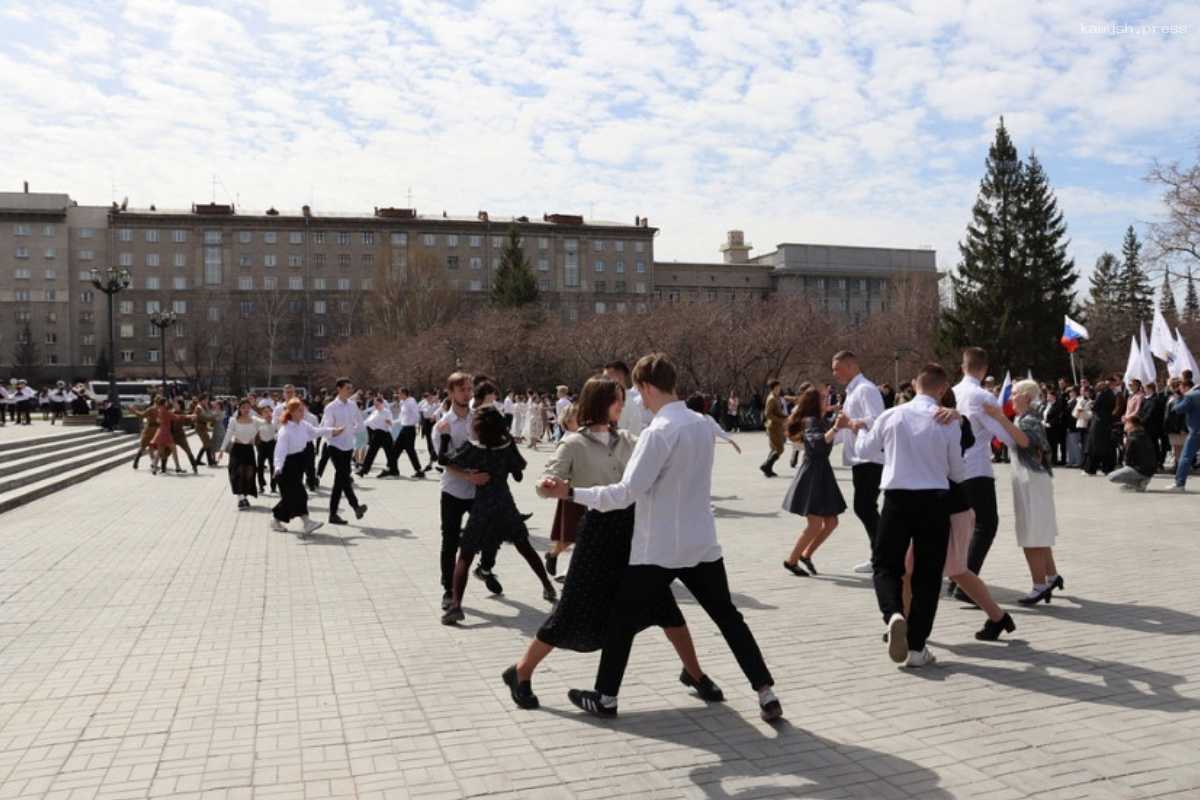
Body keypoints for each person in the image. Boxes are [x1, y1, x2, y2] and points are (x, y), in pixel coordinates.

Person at [540, 353, 782, 723]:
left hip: (659, 548)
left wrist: (571, 494)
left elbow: (623, 494)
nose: (638, 399)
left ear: (648, 387)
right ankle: (766, 692)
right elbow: (716, 434)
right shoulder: (702, 423)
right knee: (729, 618)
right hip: (702, 542)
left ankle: (605, 698)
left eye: (639, 391)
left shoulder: (659, 432)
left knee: (621, 621)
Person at [502, 376, 722, 710]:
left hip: (636, 533)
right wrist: (549, 483)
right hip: (598, 536)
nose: (623, 405)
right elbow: (548, 479)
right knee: (570, 610)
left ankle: (695, 673)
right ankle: (521, 671)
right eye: (617, 400)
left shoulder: (631, 439)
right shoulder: (575, 443)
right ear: (600, 402)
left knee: (664, 606)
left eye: (623, 398)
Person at [847, 363, 964, 668]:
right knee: (928, 574)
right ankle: (916, 647)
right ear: (943, 388)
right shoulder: (948, 421)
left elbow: (866, 450)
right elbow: (957, 471)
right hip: (935, 500)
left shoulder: (891, 415)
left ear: (914, 383)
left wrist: (859, 430)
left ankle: (893, 613)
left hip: (897, 499)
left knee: (886, 565)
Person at [902, 388, 1015, 642]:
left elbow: (969, 440)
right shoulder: (920, 424)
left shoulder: (953, 424)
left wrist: (960, 418)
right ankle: (905, 625)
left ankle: (998, 617)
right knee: (909, 568)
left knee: (956, 569)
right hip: (930, 507)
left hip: (954, 508)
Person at [440, 406, 557, 625]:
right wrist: (508, 457)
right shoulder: (507, 446)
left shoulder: (473, 449)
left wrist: (445, 437)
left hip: (482, 507)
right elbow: (519, 470)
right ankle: (548, 587)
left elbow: (444, 460)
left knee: (465, 555)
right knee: (526, 548)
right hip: (505, 505)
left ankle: (456, 606)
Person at [950, 348, 1015, 591]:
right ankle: (967, 584)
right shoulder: (982, 396)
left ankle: (957, 578)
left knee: (961, 526)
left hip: (953, 468)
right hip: (976, 467)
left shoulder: (951, 393)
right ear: (984, 369)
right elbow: (1004, 434)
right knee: (986, 524)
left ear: (962, 366)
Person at [1002, 380, 1065, 604]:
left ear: (1027, 397)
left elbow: (1026, 441)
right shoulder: (1022, 418)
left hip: (1033, 481)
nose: (1011, 397)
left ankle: (1039, 586)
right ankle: (1051, 576)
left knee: (1032, 533)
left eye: (1015, 393)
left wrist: (999, 418)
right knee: (1037, 530)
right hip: (1027, 480)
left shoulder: (1029, 419)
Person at [434, 372, 490, 610]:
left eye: (469, 389)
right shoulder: (442, 425)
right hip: (453, 491)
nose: (467, 394)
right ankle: (448, 590)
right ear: (451, 393)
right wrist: (468, 476)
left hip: (479, 490)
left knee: (486, 535)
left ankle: (485, 568)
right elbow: (444, 463)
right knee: (449, 542)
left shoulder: (479, 419)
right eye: (462, 390)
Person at [831, 351, 887, 574]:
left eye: (837, 368)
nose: (834, 373)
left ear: (852, 365)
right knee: (864, 507)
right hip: (859, 458)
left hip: (870, 457)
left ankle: (883, 555)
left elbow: (877, 420)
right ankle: (880, 554)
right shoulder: (852, 390)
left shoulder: (865, 389)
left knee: (864, 507)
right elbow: (845, 427)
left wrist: (850, 422)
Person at [780, 387, 845, 577]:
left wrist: (847, 425)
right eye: (823, 399)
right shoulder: (810, 422)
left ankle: (806, 555)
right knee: (815, 524)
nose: (827, 401)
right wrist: (837, 427)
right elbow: (818, 443)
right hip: (813, 476)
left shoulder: (820, 420)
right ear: (814, 403)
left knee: (831, 522)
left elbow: (831, 436)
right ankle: (791, 560)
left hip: (822, 473)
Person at [272, 398, 343, 536]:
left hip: (299, 461)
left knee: (291, 497)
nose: (302, 412)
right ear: (291, 412)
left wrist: (333, 430)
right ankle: (307, 522)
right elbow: (280, 451)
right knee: (300, 494)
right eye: (299, 410)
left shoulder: (303, 425)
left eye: (303, 410)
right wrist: (277, 468)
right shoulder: (285, 430)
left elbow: (316, 431)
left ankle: (276, 520)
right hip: (287, 465)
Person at [321, 378, 368, 525]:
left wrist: (354, 432)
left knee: (342, 479)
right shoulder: (331, 407)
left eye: (351, 388)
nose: (350, 390)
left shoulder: (353, 405)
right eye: (347, 388)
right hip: (335, 446)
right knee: (342, 478)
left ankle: (349, 509)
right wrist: (336, 431)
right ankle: (347, 509)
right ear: (339, 389)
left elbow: (359, 423)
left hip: (348, 446)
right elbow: (326, 429)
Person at [544, 402, 582, 578]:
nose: (581, 421)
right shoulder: (566, 441)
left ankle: (575, 573)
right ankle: (552, 554)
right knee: (567, 537)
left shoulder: (588, 437)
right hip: (571, 492)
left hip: (588, 491)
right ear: (567, 421)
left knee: (582, 535)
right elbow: (554, 467)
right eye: (577, 418)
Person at [217, 398, 261, 509]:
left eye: (248, 407)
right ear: (239, 408)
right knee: (237, 473)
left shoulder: (255, 420)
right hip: (237, 449)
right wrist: (222, 450)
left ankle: (244, 496)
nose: (246, 409)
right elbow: (228, 435)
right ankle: (240, 498)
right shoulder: (233, 420)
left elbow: (266, 426)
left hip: (249, 450)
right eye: (243, 407)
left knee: (249, 474)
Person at [1108, 415, 1157, 492]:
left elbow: (1128, 459)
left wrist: (1125, 446)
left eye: (1126, 423)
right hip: (1150, 470)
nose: (1124, 426)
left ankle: (1136, 483)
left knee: (1111, 476)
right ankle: (1140, 481)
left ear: (1131, 424)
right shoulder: (1145, 435)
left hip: (1139, 469)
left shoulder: (1132, 438)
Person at [1168, 378, 1200, 491]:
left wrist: (1177, 398)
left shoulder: (1190, 395)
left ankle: (1179, 484)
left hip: (1196, 431)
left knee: (1185, 457)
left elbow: (1177, 410)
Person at [604, 361, 652, 435]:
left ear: (620, 377)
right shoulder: (606, 402)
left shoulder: (640, 400)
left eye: (607, 377)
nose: (603, 381)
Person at [1085, 376, 1117, 475]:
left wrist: (1091, 405)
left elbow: (1095, 407)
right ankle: (1106, 468)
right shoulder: (1111, 394)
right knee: (1105, 446)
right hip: (1106, 422)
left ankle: (1092, 468)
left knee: (1095, 446)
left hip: (1099, 422)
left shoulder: (1102, 394)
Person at [391, 387, 426, 478]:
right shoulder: (403, 403)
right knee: (396, 449)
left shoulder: (411, 401)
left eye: (400, 393)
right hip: (404, 428)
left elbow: (416, 415)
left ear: (404, 394)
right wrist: (392, 422)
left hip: (409, 429)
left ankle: (419, 471)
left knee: (410, 450)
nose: (398, 395)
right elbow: (402, 418)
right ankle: (392, 469)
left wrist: (415, 425)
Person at [358, 396, 396, 477]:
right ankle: (363, 471)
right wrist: (358, 426)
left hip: (385, 434)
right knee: (371, 452)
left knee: (390, 453)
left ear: (382, 403)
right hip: (377, 434)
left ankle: (394, 470)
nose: (375, 406)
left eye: (377, 404)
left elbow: (391, 423)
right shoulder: (375, 412)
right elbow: (367, 422)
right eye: (375, 404)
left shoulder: (387, 412)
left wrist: (389, 422)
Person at [759, 380, 787, 478]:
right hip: (773, 426)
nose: (779, 389)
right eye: (778, 387)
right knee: (780, 448)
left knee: (775, 448)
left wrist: (785, 417)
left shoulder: (776, 398)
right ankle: (766, 465)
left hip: (777, 426)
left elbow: (778, 412)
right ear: (774, 388)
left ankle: (768, 469)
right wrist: (781, 420)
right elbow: (768, 414)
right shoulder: (771, 399)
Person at [255, 404, 277, 494]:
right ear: (262, 414)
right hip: (262, 445)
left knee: (273, 466)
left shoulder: (275, 423)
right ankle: (261, 486)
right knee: (260, 466)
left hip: (272, 445)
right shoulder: (258, 422)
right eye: (265, 412)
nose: (268, 414)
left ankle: (273, 486)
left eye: (269, 411)